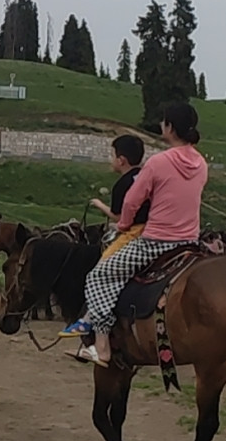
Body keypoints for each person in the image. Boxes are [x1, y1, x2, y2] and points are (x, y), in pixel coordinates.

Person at [64, 103, 207, 366]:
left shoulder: (157, 162)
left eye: (164, 122)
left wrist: (122, 226)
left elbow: (131, 202)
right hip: (189, 242)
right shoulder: (201, 164)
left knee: (99, 274)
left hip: (155, 243)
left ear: (170, 128)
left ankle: (102, 346)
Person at [90, 134, 150, 232]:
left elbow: (119, 218)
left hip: (136, 231)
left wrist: (100, 205)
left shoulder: (122, 185)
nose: (110, 160)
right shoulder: (146, 176)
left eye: (112, 156)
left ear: (121, 161)